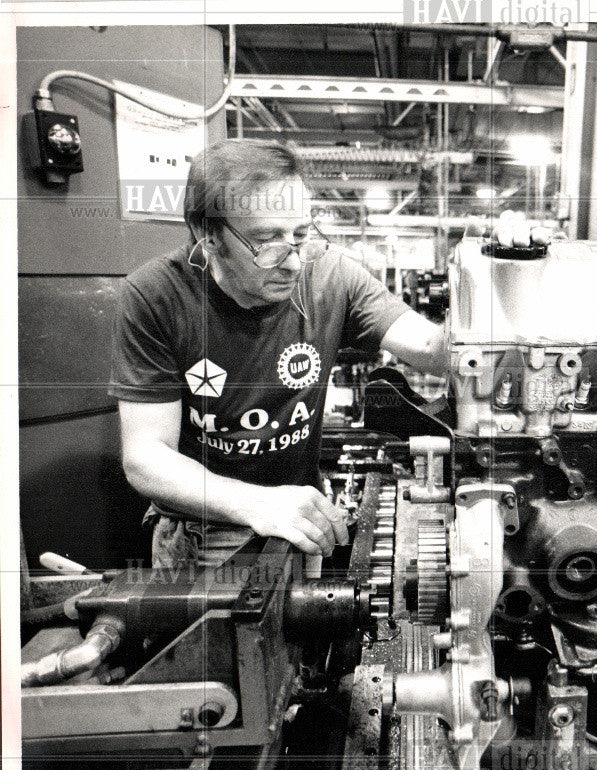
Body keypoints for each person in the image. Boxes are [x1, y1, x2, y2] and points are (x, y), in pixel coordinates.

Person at [109, 140, 446, 568]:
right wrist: (257, 504)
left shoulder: (330, 274)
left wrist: (505, 278)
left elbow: (434, 349)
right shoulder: (156, 295)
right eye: (267, 241)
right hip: (202, 533)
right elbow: (145, 458)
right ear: (208, 234)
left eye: (301, 236)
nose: (294, 263)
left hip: (299, 519)